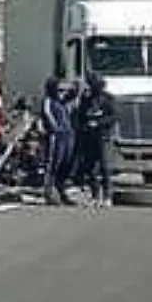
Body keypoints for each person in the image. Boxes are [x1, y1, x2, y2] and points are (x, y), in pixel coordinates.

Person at [73, 72, 117, 204]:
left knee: (104, 166)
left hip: (103, 136)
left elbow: (113, 117)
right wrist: (84, 126)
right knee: (90, 167)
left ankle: (107, 195)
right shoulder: (86, 99)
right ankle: (95, 193)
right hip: (89, 136)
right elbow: (80, 116)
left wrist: (99, 123)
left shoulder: (108, 98)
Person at [40, 76, 77, 205]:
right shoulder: (48, 100)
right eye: (59, 89)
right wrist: (55, 128)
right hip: (56, 136)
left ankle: (62, 190)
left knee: (66, 164)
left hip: (68, 135)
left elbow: (73, 95)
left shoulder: (61, 101)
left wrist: (75, 86)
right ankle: (48, 192)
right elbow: (47, 114)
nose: (62, 92)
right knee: (53, 163)